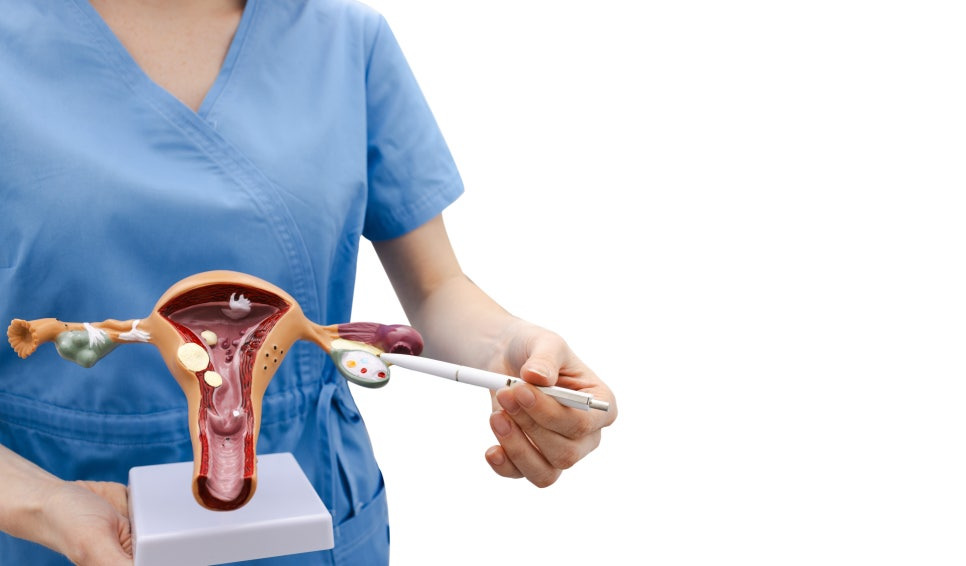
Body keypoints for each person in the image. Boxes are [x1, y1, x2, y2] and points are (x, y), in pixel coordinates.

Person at [0, 0, 618, 564]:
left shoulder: (347, 41)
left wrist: (509, 353)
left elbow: (435, 287)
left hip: (310, 513)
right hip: (45, 530)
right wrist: (42, 503)